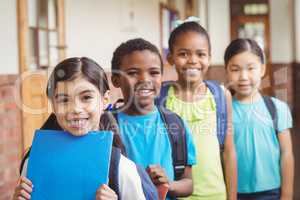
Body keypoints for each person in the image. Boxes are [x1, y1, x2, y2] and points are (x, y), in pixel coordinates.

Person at [13, 57, 155, 200]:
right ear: (53, 105)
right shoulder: (33, 163)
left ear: (105, 100)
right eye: (63, 100)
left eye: (86, 97)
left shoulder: (121, 169)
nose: (75, 109)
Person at [156, 21, 237, 200]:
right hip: (174, 194)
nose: (193, 60)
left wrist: (232, 197)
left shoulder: (221, 96)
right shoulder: (160, 99)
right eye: (183, 54)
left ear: (209, 57)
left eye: (201, 54)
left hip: (214, 194)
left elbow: (229, 151)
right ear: (170, 58)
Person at [110, 38, 197, 199]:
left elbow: (189, 184)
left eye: (154, 72)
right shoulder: (106, 127)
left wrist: (168, 184)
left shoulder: (176, 125)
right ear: (116, 79)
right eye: (133, 73)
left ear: (161, 77)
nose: (145, 80)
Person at [224, 38, 294, 200]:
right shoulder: (223, 111)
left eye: (251, 68)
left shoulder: (277, 108)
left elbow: (287, 153)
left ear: (262, 70)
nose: (243, 76)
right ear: (227, 71)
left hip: (271, 192)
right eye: (235, 69)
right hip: (234, 192)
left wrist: (287, 194)